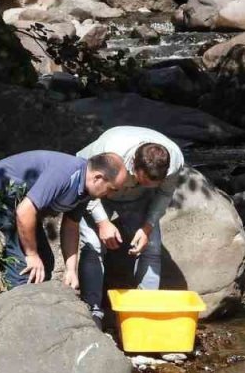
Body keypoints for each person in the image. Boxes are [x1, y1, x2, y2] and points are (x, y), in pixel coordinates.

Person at [73, 126, 185, 322]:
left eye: (154, 183)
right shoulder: (109, 151)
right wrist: (102, 222)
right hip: (96, 193)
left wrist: (147, 227)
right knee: (93, 245)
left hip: (139, 200)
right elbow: (84, 183)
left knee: (151, 248)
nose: (147, 184)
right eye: (143, 180)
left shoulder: (175, 160)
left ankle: (144, 311)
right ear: (133, 165)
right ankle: (93, 311)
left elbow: (164, 194)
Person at [0, 150, 127, 287]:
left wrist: (71, 270)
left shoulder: (86, 191)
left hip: (18, 206)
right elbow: (24, 211)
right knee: (23, 268)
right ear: (98, 178)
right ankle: (22, 315)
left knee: (45, 261)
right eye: (112, 189)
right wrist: (31, 255)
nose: (111, 196)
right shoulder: (66, 173)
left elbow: (71, 226)